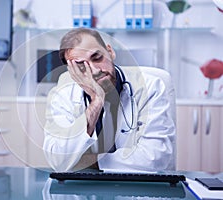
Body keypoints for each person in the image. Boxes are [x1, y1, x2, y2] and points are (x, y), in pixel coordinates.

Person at [43, 27, 176, 172]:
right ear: (72, 72)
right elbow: (58, 160)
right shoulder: (63, 95)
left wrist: (91, 161)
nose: (94, 70)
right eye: (81, 66)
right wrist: (96, 101)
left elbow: (155, 157)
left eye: (97, 57)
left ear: (110, 51)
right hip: (84, 189)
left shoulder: (150, 86)